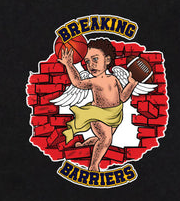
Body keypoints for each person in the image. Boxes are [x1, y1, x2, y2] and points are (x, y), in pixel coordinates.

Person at [59, 38, 137, 172]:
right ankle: (94, 165)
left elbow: (123, 97)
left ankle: (83, 144)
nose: (91, 65)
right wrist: (69, 65)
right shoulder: (93, 81)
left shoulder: (114, 78)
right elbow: (77, 82)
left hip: (115, 114)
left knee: (101, 138)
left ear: (107, 60)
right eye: (87, 62)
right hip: (97, 114)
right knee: (106, 139)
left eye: (95, 59)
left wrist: (131, 84)